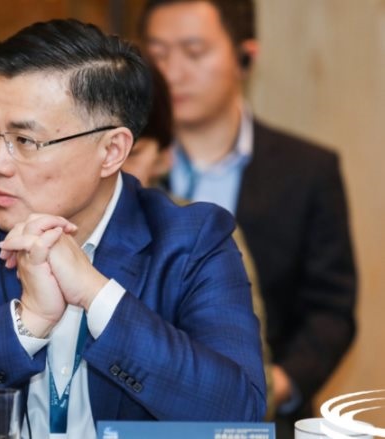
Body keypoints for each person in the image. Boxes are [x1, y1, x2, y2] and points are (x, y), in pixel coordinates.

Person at [0, 18, 266, 439]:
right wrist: (26, 323)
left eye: (25, 141)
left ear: (112, 151)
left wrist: (97, 295)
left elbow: (239, 417)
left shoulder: (190, 243)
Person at [139, 1, 357, 436]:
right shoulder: (128, 161)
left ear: (246, 57)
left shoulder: (307, 169)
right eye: (157, 54)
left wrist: (274, 386)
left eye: (194, 52)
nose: (171, 73)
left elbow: (331, 309)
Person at [122, 70, 276, 419]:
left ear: (165, 156)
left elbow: (253, 384)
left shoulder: (202, 234)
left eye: (133, 153)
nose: (113, 168)